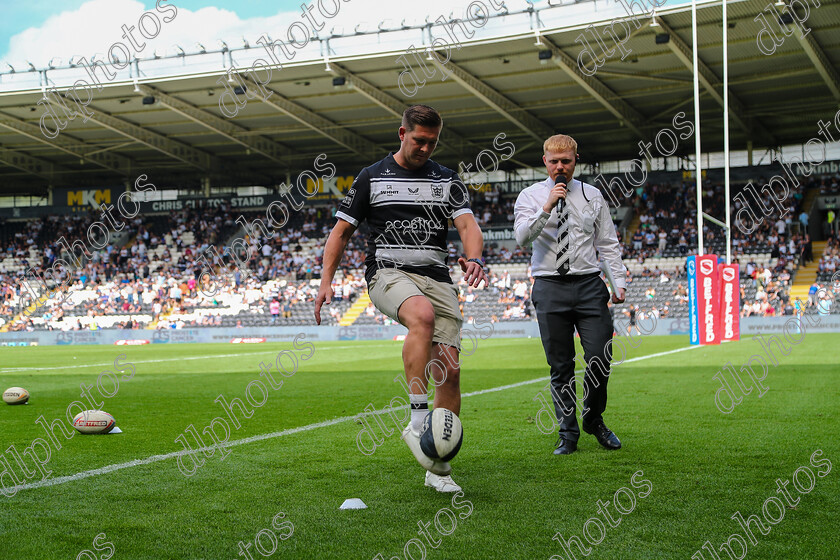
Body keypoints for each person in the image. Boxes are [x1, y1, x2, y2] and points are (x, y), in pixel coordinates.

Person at [315, 105, 487, 492]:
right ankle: (415, 420)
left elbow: (467, 225)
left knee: (451, 370)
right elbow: (340, 233)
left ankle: (438, 465)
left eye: (433, 142)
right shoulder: (372, 177)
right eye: (418, 140)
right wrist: (326, 280)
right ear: (402, 133)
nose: (425, 148)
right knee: (421, 315)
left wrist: (474, 257)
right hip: (388, 271)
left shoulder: (447, 179)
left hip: (439, 277)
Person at [514, 134, 627, 456]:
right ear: (544, 161)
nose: (560, 167)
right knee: (561, 366)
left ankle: (593, 419)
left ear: (576, 159)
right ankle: (568, 433)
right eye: (554, 161)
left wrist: (617, 281)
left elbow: (607, 242)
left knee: (600, 358)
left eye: (566, 161)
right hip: (549, 285)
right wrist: (547, 205)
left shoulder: (592, 195)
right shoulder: (530, 196)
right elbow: (522, 237)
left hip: (590, 285)